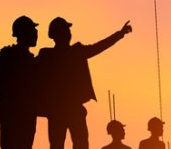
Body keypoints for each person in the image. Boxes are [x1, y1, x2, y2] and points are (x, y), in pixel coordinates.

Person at [38, 17, 133, 149]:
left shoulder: (51, 55)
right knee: (68, 144)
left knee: (75, 144)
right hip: (62, 110)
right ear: (57, 34)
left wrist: (120, 34)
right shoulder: (63, 53)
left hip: (63, 110)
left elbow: (99, 47)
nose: (69, 33)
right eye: (66, 30)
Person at [0, 15, 41, 149]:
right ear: (24, 33)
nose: (36, 34)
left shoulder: (31, 61)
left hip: (26, 115)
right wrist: (13, 99)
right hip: (13, 115)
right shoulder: (7, 55)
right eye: (32, 30)